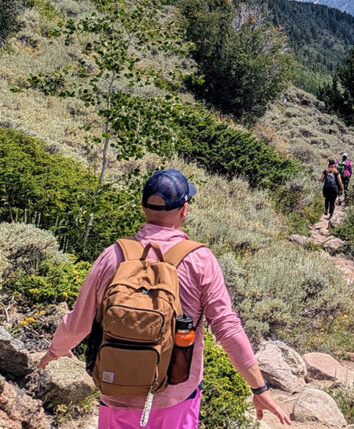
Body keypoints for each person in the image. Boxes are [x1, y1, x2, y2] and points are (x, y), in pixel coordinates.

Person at [38, 169, 291, 428]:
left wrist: (54, 351)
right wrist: (259, 388)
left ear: (143, 206)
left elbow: (79, 322)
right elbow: (227, 328)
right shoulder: (199, 260)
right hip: (175, 396)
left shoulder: (113, 255)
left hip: (115, 391)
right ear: (184, 209)